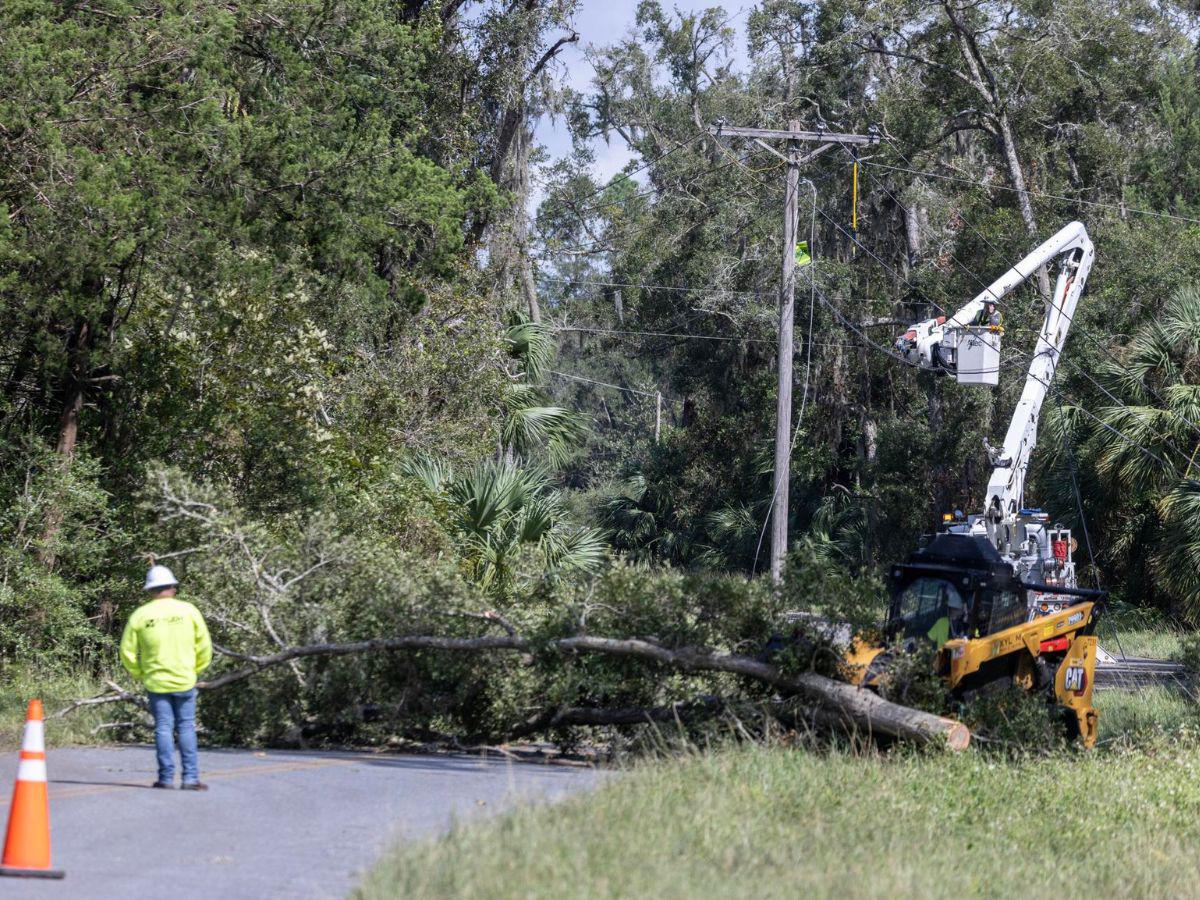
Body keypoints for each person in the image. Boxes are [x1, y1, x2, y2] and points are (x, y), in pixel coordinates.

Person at [120, 565, 213, 791]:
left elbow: (127, 651)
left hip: (156, 681)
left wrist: (139, 673)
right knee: (186, 727)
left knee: (163, 727)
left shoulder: (141, 615)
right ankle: (190, 778)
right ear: (172, 587)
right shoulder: (189, 611)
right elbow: (204, 646)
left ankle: (165, 778)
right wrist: (196, 670)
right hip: (184, 678)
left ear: (150, 590)